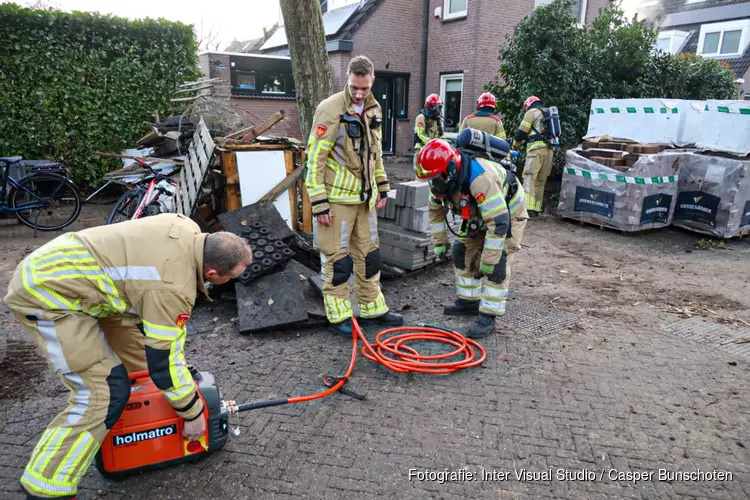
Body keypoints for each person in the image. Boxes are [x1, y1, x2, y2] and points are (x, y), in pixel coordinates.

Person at [3, 213, 252, 500]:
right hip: (49, 293)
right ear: (211, 274)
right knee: (103, 392)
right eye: (229, 278)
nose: (229, 283)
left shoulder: (185, 226)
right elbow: (165, 362)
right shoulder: (173, 285)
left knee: (140, 368)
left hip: (80, 276)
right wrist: (194, 413)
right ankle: (46, 486)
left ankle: (138, 438)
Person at [304, 55, 403, 336]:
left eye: (364, 88)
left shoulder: (374, 109)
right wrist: (319, 202)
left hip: (366, 200)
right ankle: (338, 316)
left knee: (369, 255)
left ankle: (372, 309)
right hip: (337, 202)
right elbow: (314, 160)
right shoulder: (329, 109)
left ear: (372, 81)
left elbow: (376, 153)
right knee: (338, 260)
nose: (359, 94)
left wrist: (382, 185)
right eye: (354, 88)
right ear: (347, 80)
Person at [416, 137, 528, 339]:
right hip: (480, 214)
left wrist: (489, 259)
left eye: (436, 179)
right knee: (462, 250)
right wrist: (440, 242)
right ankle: (469, 302)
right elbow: (435, 212)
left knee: (498, 262)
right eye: (430, 180)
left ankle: (488, 316)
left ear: (450, 170)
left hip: (508, 213)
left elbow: (499, 222)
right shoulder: (440, 182)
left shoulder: (480, 179)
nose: (433, 184)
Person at [512, 95, 554, 217]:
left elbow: (521, 132)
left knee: (529, 177)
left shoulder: (532, 112)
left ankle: (527, 208)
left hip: (536, 150)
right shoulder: (547, 114)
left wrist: (516, 145)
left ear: (528, 104)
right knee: (541, 180)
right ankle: (536, 208)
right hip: (549, 150)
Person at [413, 93, 445, 167]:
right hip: (421, 151)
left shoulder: (436, 120)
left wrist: (446, 142)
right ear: (430, 106)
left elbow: (440, 135)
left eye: (439, 107)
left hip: (433, 152)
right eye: (436, 107)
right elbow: (420, 134)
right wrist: (432, 143)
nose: (438, 110)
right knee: (421, 176)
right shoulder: (421, 117)